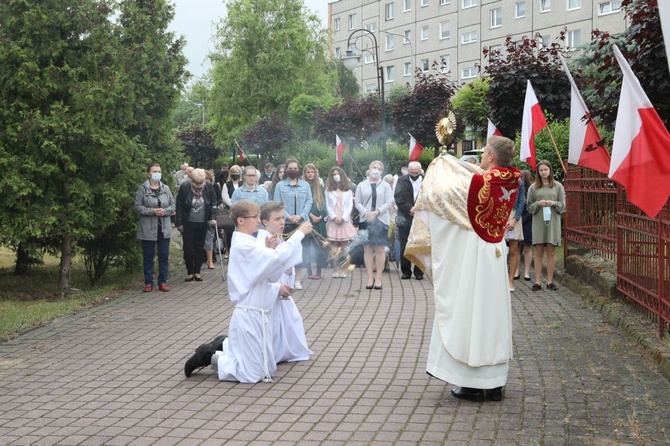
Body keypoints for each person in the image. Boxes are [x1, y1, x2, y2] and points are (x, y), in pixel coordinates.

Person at [405, 135, 521, 402]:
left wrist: (440, 163)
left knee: (471, 312)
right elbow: (472, 173)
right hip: (496, 252)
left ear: (491, 157)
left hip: (477, 256)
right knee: (492, 317)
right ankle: (494, 384)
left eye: (483, 155)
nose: (480, 159)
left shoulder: (482, 182)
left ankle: (473, 383)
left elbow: (441, 195)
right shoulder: (512, 177)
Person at [183, 201, 312, 382]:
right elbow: (276, 259)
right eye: (255, 217)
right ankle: (208, 356)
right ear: (241, 220)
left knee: (267, 367)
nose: (259, 221)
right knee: (252, 374)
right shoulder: (243, 245)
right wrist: (298, 234)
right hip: (249, 314)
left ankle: (225, 344)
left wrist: (268, 250)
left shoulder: (251, 243)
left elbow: (266, 273)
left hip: (260, 313)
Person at [258, 201, 312, 363]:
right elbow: (268, 263)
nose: (282, 222)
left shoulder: (277, 238)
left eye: (283, 218)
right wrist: (300, 233)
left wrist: (288, 269)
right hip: (267, 293)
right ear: (265, 222)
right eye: (277, 219)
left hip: (280, 291)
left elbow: (284, 257)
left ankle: (282, 350)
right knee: (272, 325)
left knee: (291, 320)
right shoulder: (261, 239)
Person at [134, 163, 176, 292]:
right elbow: (137, 206)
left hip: (164, 228)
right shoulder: (142, 189)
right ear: (148, 174)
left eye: (159, 171)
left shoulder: (166, 188)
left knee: (163, 255)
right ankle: (148, 282)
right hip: (148, 228)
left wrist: (165, 211)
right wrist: (152, 211)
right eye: (154, 171)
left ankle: (162, 281)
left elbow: (173, 206)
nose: (157, 173)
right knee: (148, 256)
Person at [274, 158, 313, 290]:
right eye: (290, 168)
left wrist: (301, 215)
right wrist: (288, 216)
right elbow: (277, 202)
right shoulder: (280, 185)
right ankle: (286, 277)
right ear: (286, 170)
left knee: (301, 251)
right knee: (287, 250)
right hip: (286, 223)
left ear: (298, 169)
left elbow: (309, 201)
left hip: (302, 222)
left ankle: (298, 279)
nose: (293, 171)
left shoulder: (305, 185)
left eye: (295, 168)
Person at [527, 160, 566, 291]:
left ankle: (550, 281)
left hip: (552, 223)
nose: (543, 172)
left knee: (551, 252)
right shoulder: (533, 188)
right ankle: (537, 281)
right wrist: (538, 204)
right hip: (538, 223)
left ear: (550, 171)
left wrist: (553, 203)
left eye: (545, 169)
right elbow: (529, 207)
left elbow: (563, 206)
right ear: (538, 172)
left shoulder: (558, 186)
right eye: (541, 170)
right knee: (538, 252)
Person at [355, 160, 393, 290]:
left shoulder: (385, 186)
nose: (376, 169)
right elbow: (357, 202)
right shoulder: (361, 185)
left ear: (382, 171)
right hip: (365, 219)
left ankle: (379, 278)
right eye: (374, 167)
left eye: (379, 168)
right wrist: (366, 213)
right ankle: (370, 277)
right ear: (369, 169)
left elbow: (389, 202)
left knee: (380, 249)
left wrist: (377, 212)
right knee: (368, 249)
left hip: (381, 219)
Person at [176, 168, 218, 282]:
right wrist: (179, 223)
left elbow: (214, 202)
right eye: (197, 183)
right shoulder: (185, 187)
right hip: (188, 222)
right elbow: (179, 205)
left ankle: (197, 271)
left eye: (201, 182)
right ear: (191, 180)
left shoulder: (209, 186)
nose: (199, 185)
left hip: (203, 221)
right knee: (188, 248)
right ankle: (190, 272)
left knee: (199, 247)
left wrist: (213, 218)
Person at [394, 161, 424, 280]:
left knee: (420, 244)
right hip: (405, 217)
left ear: (420, 171)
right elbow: (398, 197)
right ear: (408, 171)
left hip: (422, 217)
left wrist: (419, 208)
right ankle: (406, 271)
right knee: (405, 245)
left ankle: (419, 271)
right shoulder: (402, 180)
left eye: (416, 173)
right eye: (412, 172)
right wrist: (409, 208)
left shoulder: (426, 181)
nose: (414, 174)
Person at [325, 166, 357, 278]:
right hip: (333, 221)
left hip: (344, 221)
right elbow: (327, 205)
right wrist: (334, 217)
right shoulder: (328, 189)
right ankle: (335, 270)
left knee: (344, 247)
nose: (336, 176)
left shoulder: (348, 190)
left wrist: (343, 217)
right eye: (334, 174)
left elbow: (350, 205)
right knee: (334, 247)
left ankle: (344, 270)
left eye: (338, 173)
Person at [303, 163, 327, 279]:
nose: (310, 174)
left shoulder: (320, 187)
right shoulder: (303, 187)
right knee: (307, 245)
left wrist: (321, 215)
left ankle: (318, 271)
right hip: (308, 219)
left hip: (319, 221)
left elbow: (324, 203)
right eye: (308, 172)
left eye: (312, 172)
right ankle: (308, 271)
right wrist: (310, 215)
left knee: (319, 246)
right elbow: (303, 204)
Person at [505, 167, 526, 292]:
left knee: (514, 250)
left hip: (514, 216)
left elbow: (521, 201)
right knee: (499, 250)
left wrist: (515, 219)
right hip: (501, 216)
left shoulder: (520, 183)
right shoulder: (498, 181)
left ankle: (510, 280)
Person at [516, 170, 534, 281]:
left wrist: (523, 219)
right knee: (517, 247)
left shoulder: (531, 191)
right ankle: (516, 270)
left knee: (526, 247)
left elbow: (532, 208)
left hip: (527, 222)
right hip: (517, 221)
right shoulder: (517, 189)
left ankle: (527, 271)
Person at [203, 169, 222, 269]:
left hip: (210, 215)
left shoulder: (214, 187)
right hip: (198, 216)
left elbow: (218, 199)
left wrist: (212, 208)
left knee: (209, 239)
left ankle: (210, 260)